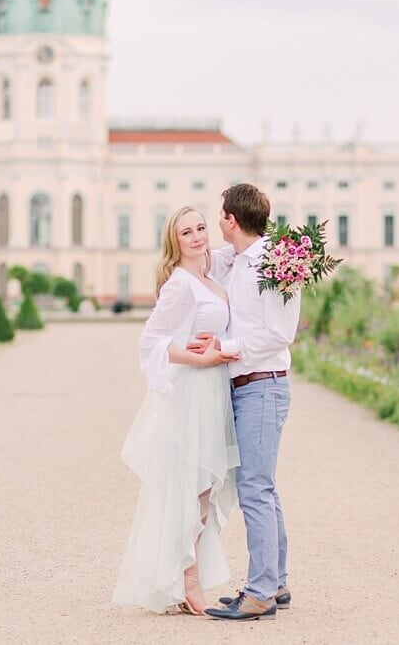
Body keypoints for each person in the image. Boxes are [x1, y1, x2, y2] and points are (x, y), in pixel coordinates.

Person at [112, 206, 241, 615]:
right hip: (194, 392)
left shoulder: (212, 276)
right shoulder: (180, 285)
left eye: (202, 227)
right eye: (187, 232)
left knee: (202, 488)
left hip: (215, 390)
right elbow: (152, 340)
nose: (198, 236)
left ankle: (187, 576)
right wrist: (197, 359)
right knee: (191, 486)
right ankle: (187, 580)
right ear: (175, 241)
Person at [191, 183, 300, 621]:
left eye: (218, 217)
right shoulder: (237, 260)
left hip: (263, 383)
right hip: (249, 385)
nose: (215, 224)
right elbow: (196, 264)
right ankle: (276, 581)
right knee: (261, 487)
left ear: (231, 220)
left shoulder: (275, 263)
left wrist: (226, 345)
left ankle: (259, 593)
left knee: (255, 489)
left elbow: (279, 333)